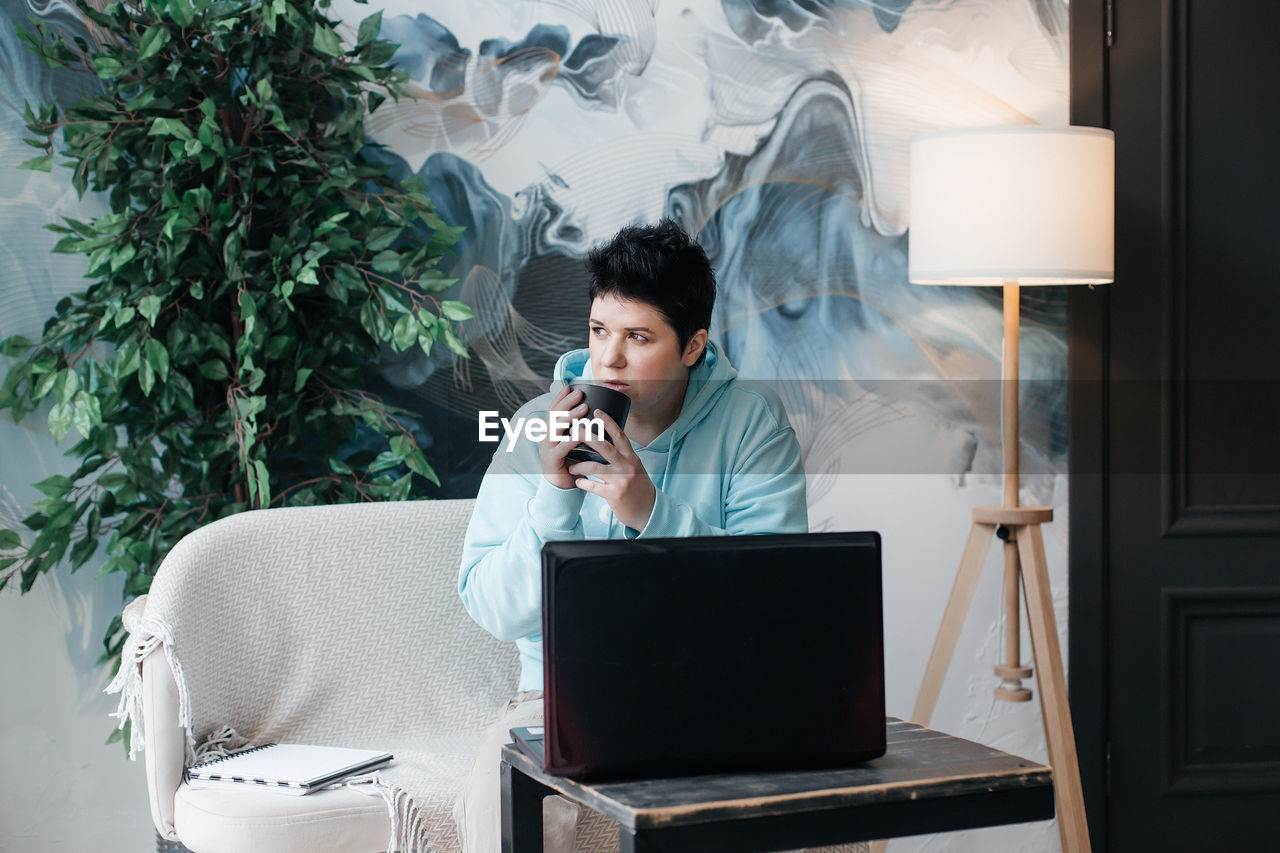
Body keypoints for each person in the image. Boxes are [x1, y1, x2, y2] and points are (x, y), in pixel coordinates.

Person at [452, 219, 807, 852]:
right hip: (559, 699)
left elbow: (775, 601)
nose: (607, 359)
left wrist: (650, 510)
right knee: (503, 795)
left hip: (711, 692)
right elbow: (494, 608)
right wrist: (555, 497)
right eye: (597, 331)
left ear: (692, 347)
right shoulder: (538, 425)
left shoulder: (751, 421)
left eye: (638, 337)